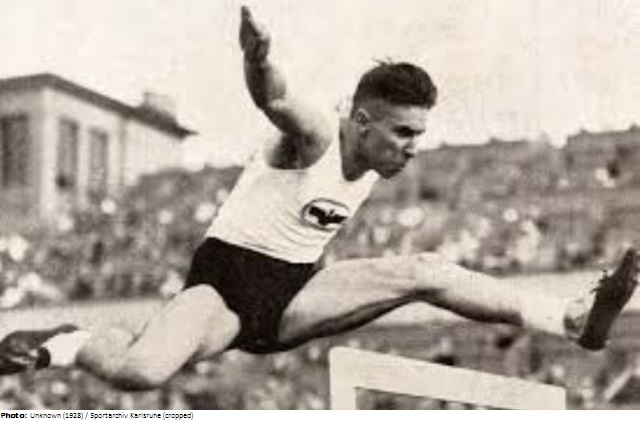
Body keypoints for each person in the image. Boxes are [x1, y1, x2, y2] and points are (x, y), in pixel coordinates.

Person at [0, 6, 636, 391]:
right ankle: (69, 341)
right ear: (361, 121)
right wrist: (257, 59)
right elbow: (277, 100)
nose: (413, 148)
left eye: (419, 134)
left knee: (424, 271)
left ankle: (568, 320)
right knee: (142, 371)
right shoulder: (315, 140)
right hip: (223, 287)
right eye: (403, 133)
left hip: (296, 289)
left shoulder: (375, 158)